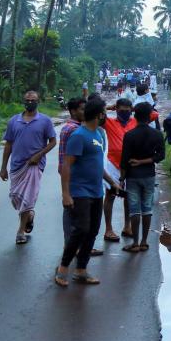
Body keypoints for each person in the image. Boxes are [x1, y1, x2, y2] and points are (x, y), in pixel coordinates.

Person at [56, 97, 118, 287]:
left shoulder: (98, 134)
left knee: (92, 231)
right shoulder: (79, 135)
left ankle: (81, 270)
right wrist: (66, 194)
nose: (105, 116)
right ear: (99, 114)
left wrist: (112, 183)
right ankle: (63, 268)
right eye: (104, 113)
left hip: (96, 191)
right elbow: (67, 165)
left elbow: (97, 165)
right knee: (81, 229)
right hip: (80, 191)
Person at [0, 91, 57, 245]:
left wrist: (39, 155)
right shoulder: (14, 121)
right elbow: (9, 144)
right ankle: (29, 215)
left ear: (38, 101)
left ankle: (20, 231)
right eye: (27, 100)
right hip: (16, 167)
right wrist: (3, 167)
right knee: (15, 197)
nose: (30, 102)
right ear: (23, 101)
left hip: (34, 166)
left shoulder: (44, 121)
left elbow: (52, 142)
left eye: (33, 100)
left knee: (28, 197)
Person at [57, 98, 105, 258]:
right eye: (82, 109)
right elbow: (67, 163)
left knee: (86, 224)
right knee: (76, 221)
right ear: (73, 111)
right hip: (75, 180)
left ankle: (79, 252)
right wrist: (65, 192)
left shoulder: (93, 132)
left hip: (87, 183)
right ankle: (69, 250)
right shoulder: (74, 131)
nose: (85, 113)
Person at [120, 103, 165, 253]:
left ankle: (135, 243)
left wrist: (121, 179)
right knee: (147, 208)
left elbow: (124, 159)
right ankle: (144, 241)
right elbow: (161, 156)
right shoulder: (157, 134)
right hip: (149, 175)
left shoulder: (129, 135)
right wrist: (145, 161)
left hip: (132, 176)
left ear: (135, 116)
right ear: (150, 116)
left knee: (134, 210)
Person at [101, 98, 133, 241]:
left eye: (128, 110)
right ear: (116, 109)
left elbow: (153, 115)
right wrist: (109, 107)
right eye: (121, 110)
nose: (124, 112)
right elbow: (97, 113)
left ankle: (127, 226)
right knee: (110, 195)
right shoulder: (109, 122)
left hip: (131, 164)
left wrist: (133, 110)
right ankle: (108, 229)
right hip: (113, 164)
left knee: (129, 196)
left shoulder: (135, 121)